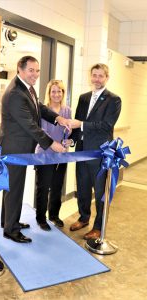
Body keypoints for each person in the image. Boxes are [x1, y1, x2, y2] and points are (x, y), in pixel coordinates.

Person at [0, 55, 72, 243]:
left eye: (37, 70)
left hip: (20, 148)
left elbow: (38, 108)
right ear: (20, 69)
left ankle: (8, 221)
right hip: (15, 149)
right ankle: (11, 230)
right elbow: (30, 125)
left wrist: (58, 118)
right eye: (31, 70)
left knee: (12, 187)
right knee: (14, 188)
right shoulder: (15, 93)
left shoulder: (26, 89)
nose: (35, 74)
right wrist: (51, 144)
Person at [68, 63, 121, 240]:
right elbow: (77, 122)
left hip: (99, 153)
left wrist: (81, 125)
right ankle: (83, 218)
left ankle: (98, 226)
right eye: (94, 75)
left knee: (99, 192)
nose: (97, 79)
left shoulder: (113, 100)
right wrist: (72, 139)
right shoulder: (83, 98)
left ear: (107, 78)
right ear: (90, 76)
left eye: (101, 76)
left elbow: (106, 125)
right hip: (81, 150)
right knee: (82, 187)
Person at [35, 80, 72, 231]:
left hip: (62, 154)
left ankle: (54, 215)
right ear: (49, 93)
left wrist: (69, 140)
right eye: (53, 91)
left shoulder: (67, 110)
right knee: (43, 187)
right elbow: (42, 131)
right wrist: (54, 144)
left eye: (59, 91)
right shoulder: (44, 110)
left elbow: (69, 130)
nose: (56, 94)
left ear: (63, 93)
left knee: (57, 186)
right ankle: (41, 218)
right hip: (45, 153)